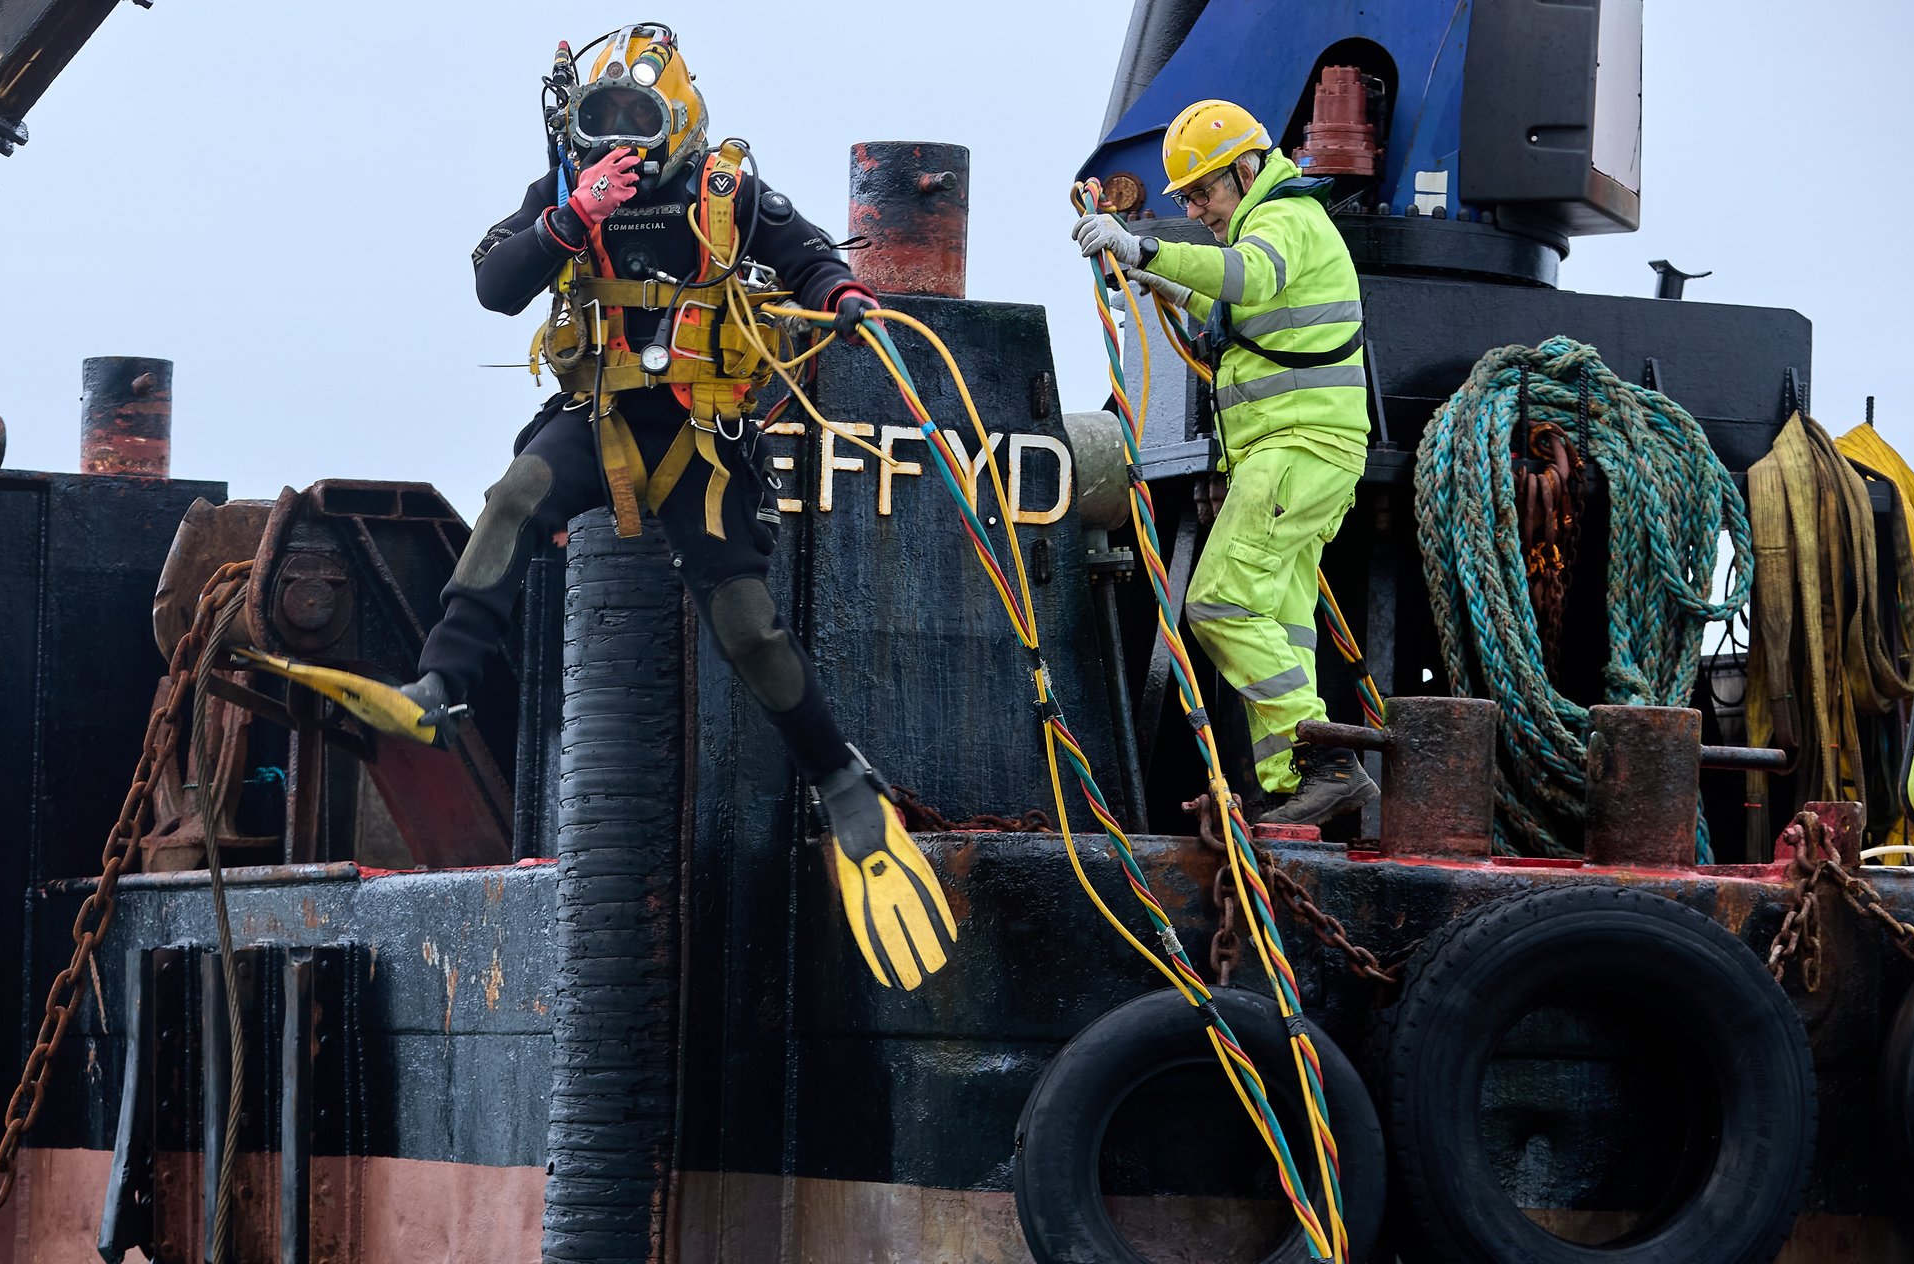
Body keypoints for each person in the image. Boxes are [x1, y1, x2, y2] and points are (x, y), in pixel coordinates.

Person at [257, 24, 955, 990]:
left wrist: (841, 294)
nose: (620, 140)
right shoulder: (564, 191)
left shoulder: (723, 187)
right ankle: (439, 689)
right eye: (602, 120)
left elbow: (805, 257)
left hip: (699, 430)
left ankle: (842, 778)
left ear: (680, 122)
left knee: (749, 627)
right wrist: (568, 218)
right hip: (595, 412)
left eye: (639, 119)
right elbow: (496, 286)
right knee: (513, 497)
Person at [1072, 99, 1377, 827]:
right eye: (1185, 199)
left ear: (1245, 169)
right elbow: (1233, 303)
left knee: (1218, 602)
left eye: (1204, 192)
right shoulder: (1266, 225)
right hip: (1306, 450)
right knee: (1282, 620)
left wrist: (1145, 249)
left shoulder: (1287, 220)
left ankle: (1329, 759)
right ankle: (1291, 780)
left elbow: (1249, 277)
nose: (1198, 209)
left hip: (1296, 448)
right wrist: (1160, 282)